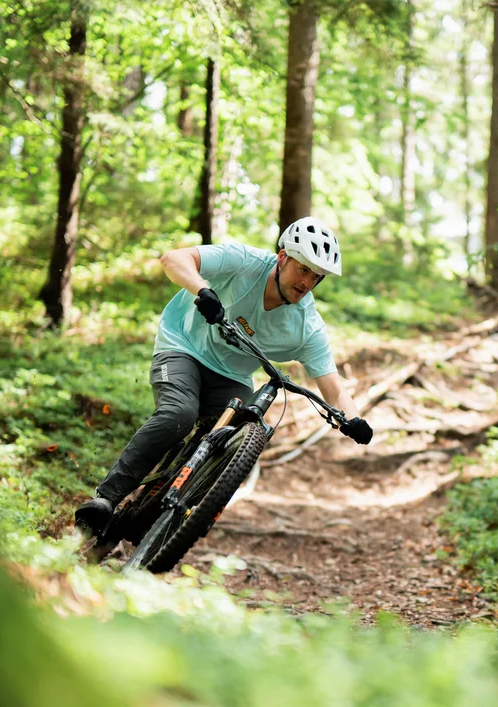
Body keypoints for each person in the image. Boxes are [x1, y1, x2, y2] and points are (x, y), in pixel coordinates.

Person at [75, 217, 373, 536]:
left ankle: (175, 517)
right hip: (182, 346)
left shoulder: (306, 327)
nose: (307, 282)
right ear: (283, 257)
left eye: (316, 277)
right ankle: (106, 498)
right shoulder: (245, 262)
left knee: (238, 441)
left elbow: (334, 389)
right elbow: (174, 259)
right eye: (303, 270)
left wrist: (353, 420)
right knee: (179, 414)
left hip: (232, 376)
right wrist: (202, 290)